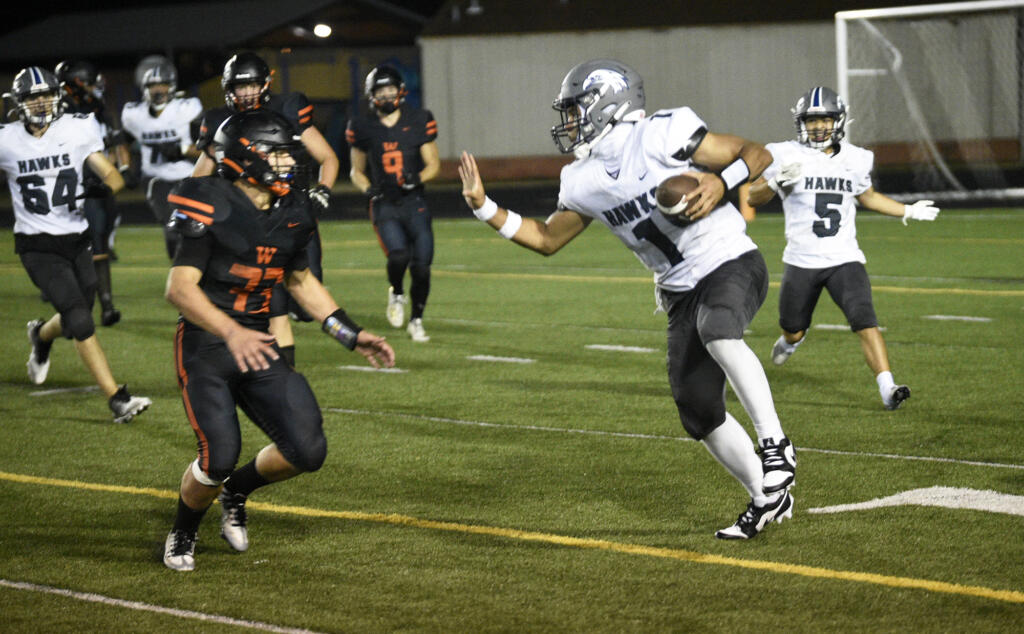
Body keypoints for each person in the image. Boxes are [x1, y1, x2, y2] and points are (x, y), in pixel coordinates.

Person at [458, 59, 795, 539]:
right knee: (697, 408)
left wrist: (722, 180)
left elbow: (754, 153)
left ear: (606, 102)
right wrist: (485, 208)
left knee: (718, 329)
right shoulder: (581, 179)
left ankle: (776, 446)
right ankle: (767, 495)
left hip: (729, 260)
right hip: (679, 290)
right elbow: (547, 238)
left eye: (575, 110)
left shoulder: (662, 131)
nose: (568, 122)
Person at [161, 110, 394, 572]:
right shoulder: (211, 201)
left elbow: (300, 279)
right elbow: (179, 289)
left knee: (307, 450)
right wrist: (230, 330)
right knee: (218, 454)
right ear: (247, 155)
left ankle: (237, 492)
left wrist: (350, 333)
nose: (289, 161)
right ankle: (183, 530)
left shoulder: (293, 209)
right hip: (208, 344)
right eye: (278, 152)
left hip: (258, 343)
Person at [746, 86, 940, 410]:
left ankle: (887, 388)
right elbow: (753, 197)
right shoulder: (782, 154)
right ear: (800, 123)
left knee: (865, 320)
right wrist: (776, 181)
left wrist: (908, 210)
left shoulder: (857, 158)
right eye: (811, 121)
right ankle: (792, 342)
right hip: (801, 260)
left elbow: (868, 197)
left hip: (844, 258)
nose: (818, 127)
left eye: (824, 120)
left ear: (838, 121)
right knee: (792, 330)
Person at [0, 66, 152, 423]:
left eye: (46, 94)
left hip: (77, 238)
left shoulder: (77, 128)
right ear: (19, 103)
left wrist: (106, 186)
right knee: (82, 320)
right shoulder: (6, 139)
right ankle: (117, 399)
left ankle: (40, 335)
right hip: (37, 245)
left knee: (72, 320)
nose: (41, 102)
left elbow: (112, 176)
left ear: (58, 96)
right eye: (32, 97)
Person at [192, 51, 340, 367]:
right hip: (247, 225)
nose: (246, 93)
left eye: (252, 85)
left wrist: (323, 190)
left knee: (304, 303)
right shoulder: (219, 121)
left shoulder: (288, 108)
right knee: (274, 306)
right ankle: (278, 375)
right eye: (239, 86)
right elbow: (198, 178)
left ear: (266, 84)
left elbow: (327, 156)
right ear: (227, 88)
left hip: (292, 220)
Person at [347, 64, 440, 342]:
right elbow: (355, 171)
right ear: (372, 95)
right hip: (385, 203)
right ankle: (397, 292)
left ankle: (417, 320)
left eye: (390, 90)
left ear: (400, 91)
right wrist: (368, 190)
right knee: (398, 255)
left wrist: (417, 178)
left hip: (414, 201)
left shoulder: (419, 118)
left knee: (422, 265)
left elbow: (433, 164)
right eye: (381, 91)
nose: (387, 96)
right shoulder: (362, 126)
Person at [55, 59, 134, 326]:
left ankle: (106, 304)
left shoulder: (97, 106)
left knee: (102, 231)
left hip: (97, 176)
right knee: (82, 237)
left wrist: (124, 167)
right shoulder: (59, 108)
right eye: (87, 82)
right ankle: (99, 303)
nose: (92, 87)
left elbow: (115, 138)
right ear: (75, 83)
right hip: (70, 180)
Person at [120, 58, 203, 259]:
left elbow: (205, 148)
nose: (158, 89)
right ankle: (178, 267)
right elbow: (121, 141)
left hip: (188, 176)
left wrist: (181, 150)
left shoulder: (186, 109)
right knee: (171, 223)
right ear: (144, 88)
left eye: (162, 84)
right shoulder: (135, 114)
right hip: (156, 178)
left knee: (197, 225)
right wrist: (124, 168)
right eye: (152, 85)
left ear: (171, 86)